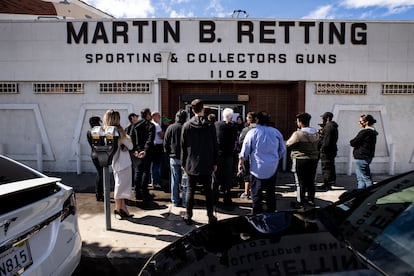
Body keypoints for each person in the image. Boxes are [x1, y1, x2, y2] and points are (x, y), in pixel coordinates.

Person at [238, 111, 286, 215]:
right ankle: (271, 213)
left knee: (256, 193)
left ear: (257, 120)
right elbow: (282, 150)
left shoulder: (252, 132)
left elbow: (245, 150)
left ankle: (256, 214)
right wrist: (276, 159)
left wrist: (241, 162)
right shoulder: (276, 132)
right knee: (270, 193)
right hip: (272, 167)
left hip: (257, 167)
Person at [181, 99, 218, 225]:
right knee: (208, 191)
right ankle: (210, 216)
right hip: (207, 162)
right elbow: (215, 145)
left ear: (192, 110)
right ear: (203, 109)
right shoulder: (210, 125)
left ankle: (188, 215)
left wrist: (183, 163)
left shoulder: (187, 125)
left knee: (190, 191)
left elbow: (183, 146)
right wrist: (215, 162)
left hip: (191, 163)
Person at [103, 109, 134, 219]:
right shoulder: (119, 131)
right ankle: (117, 209)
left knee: (121, 186)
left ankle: (123, 209)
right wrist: (125, 144)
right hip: (124, 163)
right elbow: (130, 146)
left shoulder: (106, 131)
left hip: (115, 162)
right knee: (121, 187)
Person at [286, 112, 320, 209]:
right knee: (311, 180)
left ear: (300, 122)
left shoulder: (298, 134)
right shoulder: (316, 133)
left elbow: (288, 144)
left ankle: (300, 201)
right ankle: (311, 199)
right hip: (313, 159)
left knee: (300, 182)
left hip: (300, 159)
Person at [213, 108, 238, 207]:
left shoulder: (217, 125)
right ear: (231, 117)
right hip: (229, 155)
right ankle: (227, 199)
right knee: (227, 179)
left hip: (218, 155)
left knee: (215, 178)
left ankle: (214, 199)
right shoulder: (234, 127)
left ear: (222, 115)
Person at [130, 108, 156, 201]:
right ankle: (144, 192)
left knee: (138, 171)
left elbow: (131, 137)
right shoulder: (151, 126)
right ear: (148, 115)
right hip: (147, 152)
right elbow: (150, 139)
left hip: (137, 152)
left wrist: (135, 150)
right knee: (146, 172)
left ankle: (137, 193)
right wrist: (145, 150)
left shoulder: (135, 125)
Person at [164, 110, 188, 207]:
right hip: (185, 159)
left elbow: (165, 143)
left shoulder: (170, 127)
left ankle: (175, 201)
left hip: (173, 157)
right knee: (185, 181)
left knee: (174, 180)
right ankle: (185, 202)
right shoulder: (187, 127)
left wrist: (168, 153)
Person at [350, 114, 378, 189]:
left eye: (360, 121)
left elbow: (353, 142)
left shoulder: (364, 132)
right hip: (366, 157)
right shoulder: (373, 132)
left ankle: (369, 194)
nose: (359, 123)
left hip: (361, 157)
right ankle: (360, 194)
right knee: (361, 179)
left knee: (366, 179)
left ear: (366, 122)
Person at [238, 112, 257, 199]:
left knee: (247, 174)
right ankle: (256, 192)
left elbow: (241, 142)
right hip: (259, 156)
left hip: (248, 155)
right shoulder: (261, 130)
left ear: (249, 119)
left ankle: (246, 193)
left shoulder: (246, 130)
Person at [319, 112, 339, 191]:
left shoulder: (328, 127)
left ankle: (327, 183)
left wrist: (322, 149)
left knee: (326, 167)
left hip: (327, 151)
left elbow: (326, 141)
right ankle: (331, 181)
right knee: (330, 166)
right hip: (332, 149)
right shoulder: (333, 126)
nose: (322, 120)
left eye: (323, 118)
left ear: (327, 118)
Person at [86, 116, 104, 202]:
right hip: (99, 154)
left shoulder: (89, 131)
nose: (101, 123)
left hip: (94, 154)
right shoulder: (96, 131)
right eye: (99, 121)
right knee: (101, 174)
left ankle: (99, 193)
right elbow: (98, 144)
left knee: (100, 173)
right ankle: (99, 194)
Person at [151, 111, 164, 190]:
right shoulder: (156, 125)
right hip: (157, 147)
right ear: (154, 117)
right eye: (158, 116)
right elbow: (161, 135)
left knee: (153, 165)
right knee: (156, 165)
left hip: (153, 146)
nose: (160, 117)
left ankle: (154, 181)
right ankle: (156, 182)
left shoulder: (151, 124)